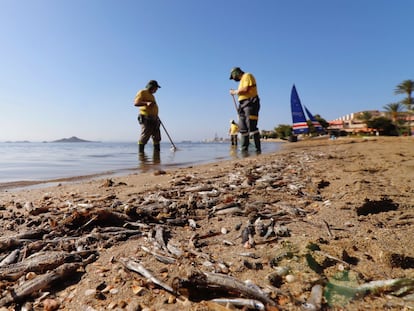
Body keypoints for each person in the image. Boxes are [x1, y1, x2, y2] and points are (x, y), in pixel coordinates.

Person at [229, 67, 261, 152]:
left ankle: (257, 150)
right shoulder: (241, 82)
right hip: (242, 104)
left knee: (252, 126)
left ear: (236, 73)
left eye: (233, 77)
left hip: (250, 102)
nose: (234, 79)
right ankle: (244, 150)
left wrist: (234, 92)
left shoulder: (247, 75)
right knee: (242, 127)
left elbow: (246, 89)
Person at [133, 80, 161, 154]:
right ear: (151, 87)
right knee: (145, 136)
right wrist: (146, 103)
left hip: (155, 118)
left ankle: (157, 156)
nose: (156, 90)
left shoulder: (152, 96)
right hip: (146, 118)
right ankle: (141, 155)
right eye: (156, 88)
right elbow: (136, 103)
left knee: (157, 137)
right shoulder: (142, 92)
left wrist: (156, 116)